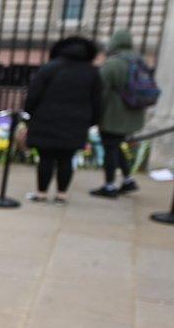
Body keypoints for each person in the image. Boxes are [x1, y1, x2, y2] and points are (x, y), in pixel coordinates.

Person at [24, 36, 103, 203]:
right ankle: (61, 194)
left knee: (45, 157)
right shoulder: (92, 73)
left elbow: (33, 95)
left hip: (47, 119)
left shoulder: (49, 68)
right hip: (76, 122)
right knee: (67, 158)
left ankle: (41, 193)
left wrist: (29, 113)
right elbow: (97, 101)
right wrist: (92, 120)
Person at [90, 29, 146, 198]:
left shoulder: (113, 63)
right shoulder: (139, 60)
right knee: (117, 146)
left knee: (110, 149)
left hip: (114, 115)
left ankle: (109, 185)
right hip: (134, 114)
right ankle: (128, 180)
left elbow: (101, 91)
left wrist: (96, 114)